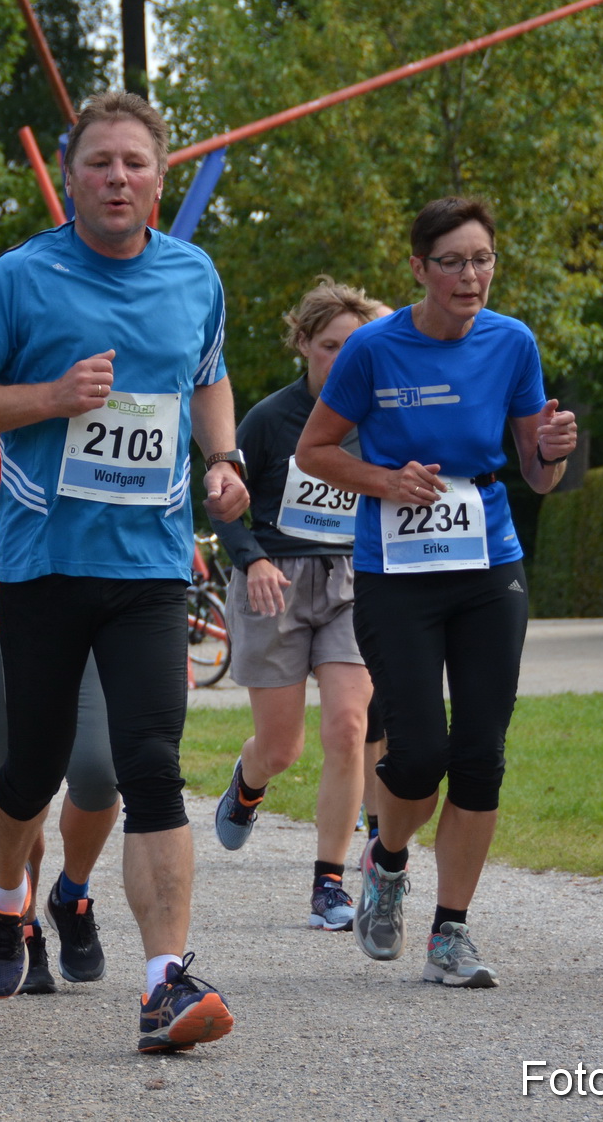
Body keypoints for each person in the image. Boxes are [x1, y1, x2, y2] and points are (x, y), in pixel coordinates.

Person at [0, 91, 248, 1053]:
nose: (118, 178)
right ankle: (3, 896)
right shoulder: (20, 278)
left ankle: (165, 983)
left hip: (150, 566)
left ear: (161, 177)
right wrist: (49, 397)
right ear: (71, 174)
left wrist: (222, 458)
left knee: (150, 764)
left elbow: (209, 376)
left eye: (135, 163)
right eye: (99, 162)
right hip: (43, 562)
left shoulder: (195, 274)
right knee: (31, 767)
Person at [297, 196, 577, 989]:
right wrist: (387, 479)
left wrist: (552, 450)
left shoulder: (512, 342)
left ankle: (450, 931)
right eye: (451, 261)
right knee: (417, 754)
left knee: (481, 755)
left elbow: (536, 470)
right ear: (418, 268)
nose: (470, 275)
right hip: (398, 569)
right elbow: (317, 451)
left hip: (489, 562)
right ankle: (385, 861)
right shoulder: (375, 350)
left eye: (482, 258)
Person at [210, 278, 388, 931]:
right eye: (330, 345)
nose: (342, 358)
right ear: (305, 345)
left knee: (348, 725)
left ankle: (329, 883)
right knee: (281, 746)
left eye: (355, 345)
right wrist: (251, 557)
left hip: (351, 580)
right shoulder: (268, 420)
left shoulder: (381, 418)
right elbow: (226, 502)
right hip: (273, 581)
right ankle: (248, 782)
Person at [0, 426, 121, 993]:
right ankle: (17, 917)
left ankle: (71, 895)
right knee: (22, 782)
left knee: (99, 771)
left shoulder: (98, 377)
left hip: (86, 597)